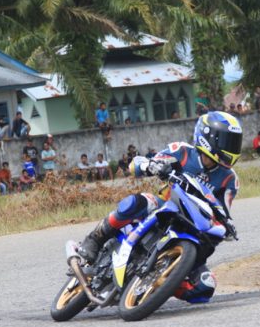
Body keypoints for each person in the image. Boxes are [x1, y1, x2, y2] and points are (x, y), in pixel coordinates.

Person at [77, 111, 243, 304]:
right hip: (165, 205)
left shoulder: (230, 179)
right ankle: (95, 239)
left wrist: (227, 226)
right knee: (136, 202)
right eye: (228, 141)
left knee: (205, 287)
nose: (232, 147)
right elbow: (138, 164)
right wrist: (151, 165)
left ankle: (159, 284)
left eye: (234, 142)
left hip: (194, 226)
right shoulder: (182, 151)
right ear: (208, 136)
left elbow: (223, 211)